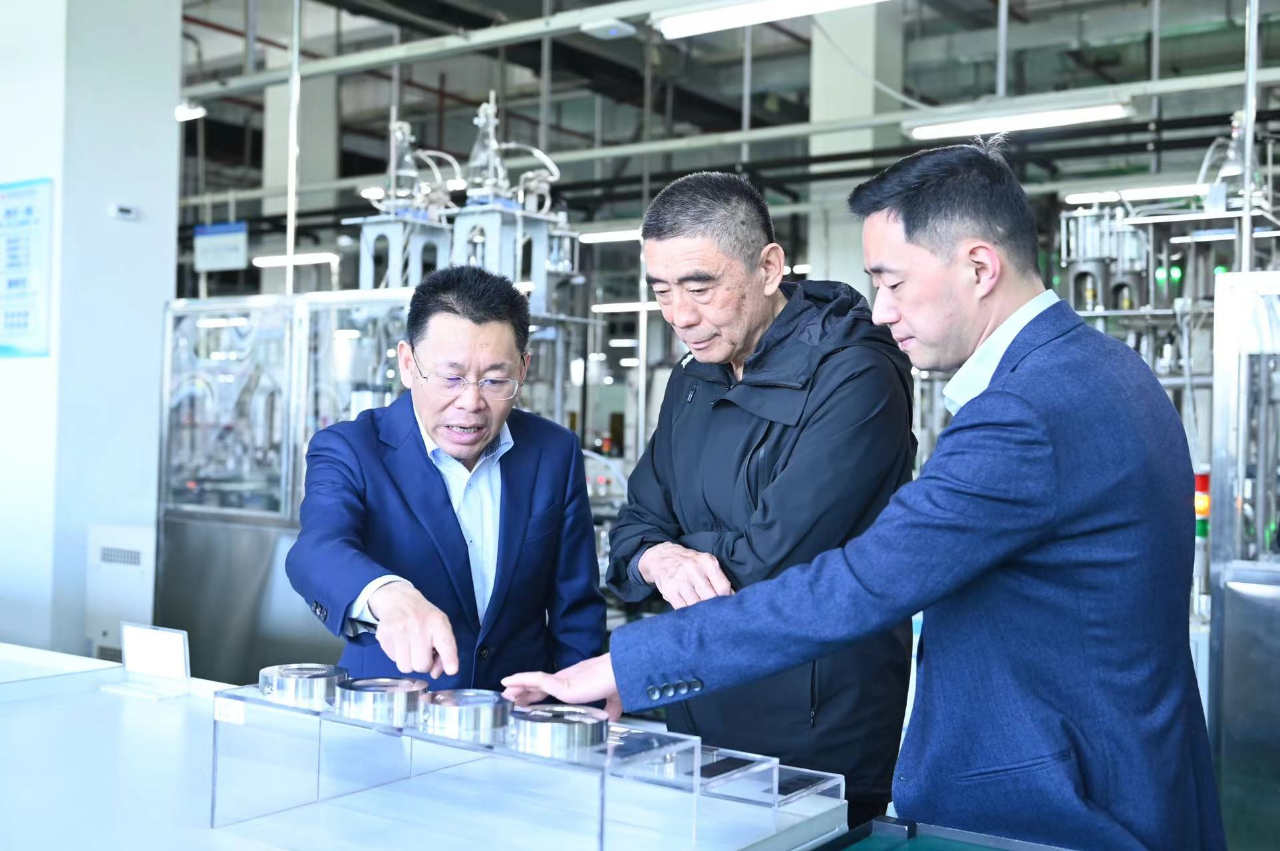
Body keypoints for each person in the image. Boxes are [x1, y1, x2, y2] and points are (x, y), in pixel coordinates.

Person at [504, 139, 1227, 851]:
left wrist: (627, 665)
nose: (880, 311)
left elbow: (853, 581)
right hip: (1125, 777)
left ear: (979, 267)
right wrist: (657, 562)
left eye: (894, 282)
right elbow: (649, 524)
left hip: (1057, 808)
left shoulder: (1020, 413)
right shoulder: (1105, 370)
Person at [605, 172, 915, 826]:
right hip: (694, 707)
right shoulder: (693, 380)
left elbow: (770, 562)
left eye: (700, 287)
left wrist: (680, 547)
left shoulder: (856, 374)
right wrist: (660, 557)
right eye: (661, 290)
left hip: (815, 727)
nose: (679, 315)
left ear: (769, 267)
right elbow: (633, 527)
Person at [287, 265, 605, 689]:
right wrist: (387, 593)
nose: (471, 402)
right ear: (407, 364)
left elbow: (576, 611)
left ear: (523, 369)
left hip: (519, 712)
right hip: (391, 708)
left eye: (495, 380)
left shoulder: (553, 451)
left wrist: (577, 708)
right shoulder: (351, 449)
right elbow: (317, 551)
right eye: (451, 378)